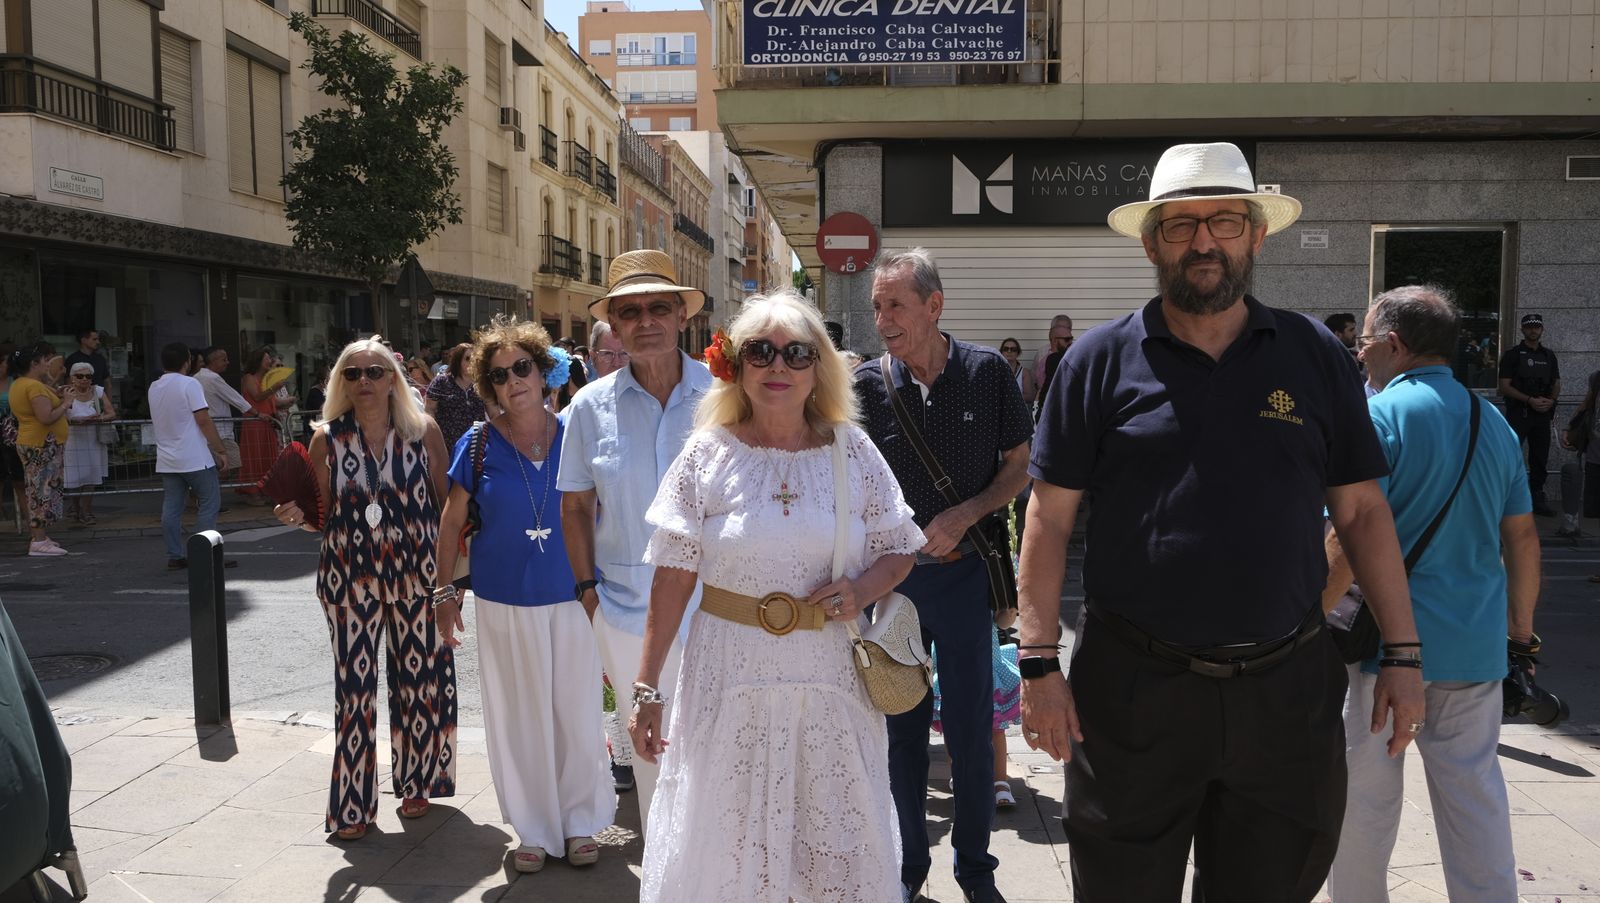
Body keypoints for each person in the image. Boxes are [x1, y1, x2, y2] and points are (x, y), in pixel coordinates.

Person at [1017, 142, 1426, 902]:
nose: (1205, 242)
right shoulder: (1096, 362)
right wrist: (1038, 666)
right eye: (1182, 226)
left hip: (1286, 692)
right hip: (1131, 695)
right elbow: (1046, 516)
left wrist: (1403, 651)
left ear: (1256, 234)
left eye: (1225, 222)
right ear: (1152, 243)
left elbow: (1363, 510)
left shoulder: (1315, 356)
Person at [629, 290, 924, 902]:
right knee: (729, 841)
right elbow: (673, 578)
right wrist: (646, 688)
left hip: (829, 681)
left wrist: (861, 588)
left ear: (820, 367)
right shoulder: (707, 453)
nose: (778, 367)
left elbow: (901, 546)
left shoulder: (854, 451)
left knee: (829, 843)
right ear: (736, 365)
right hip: (726, 679)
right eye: (760, 352)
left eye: (796, 353)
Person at [1325, 285, 1540, 901]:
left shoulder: (1376, 417)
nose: (1361, 356)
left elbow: (1344, 539)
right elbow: (1522, 538)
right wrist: (1520, 634)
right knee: (1475, 797)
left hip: (1385, 648)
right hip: (1474, 647)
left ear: (1394, 345)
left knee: (1365, 801)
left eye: (1364, 344)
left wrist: (1306, 623)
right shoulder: (1493, 421)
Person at [854, 248, 1032, 903]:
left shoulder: (987, 373)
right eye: (877, 306)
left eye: (895, 304)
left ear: (935, 305)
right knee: (900, 732)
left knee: (971, 734)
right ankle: (907, 867)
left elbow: (1022, 461)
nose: (883, 319)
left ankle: (975, 870)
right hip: (894, 586)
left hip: (964, 580)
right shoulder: (868, 386)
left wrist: (968, 510)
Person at [433, 319, 611, 874]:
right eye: (499, 374)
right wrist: (443, 591)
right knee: (518, 716)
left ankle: (580, 823)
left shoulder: (579, 432)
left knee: (577, 712)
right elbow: (452, 517)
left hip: (573, 595)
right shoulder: (477, 442)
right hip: (504, 600)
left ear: (545, 371)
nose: (513, 381)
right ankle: (533, 830)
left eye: (522, 368)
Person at [273, 338, 456, 840]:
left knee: (418, 681)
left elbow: (449, 509)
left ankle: (416, 780)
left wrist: (450, 583)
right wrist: (298, 518)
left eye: (375, 372)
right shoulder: (326, 439)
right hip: (347, 579)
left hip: (417, 575)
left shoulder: (424, 432)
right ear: (340, 383)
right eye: (353, 375)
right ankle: (352, 804)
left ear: (393, 379)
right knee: (353, 692)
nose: (365, 383)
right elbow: (321, 514)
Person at [557, 249, 713, 834]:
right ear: (615, 326)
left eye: (657, 308)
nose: (645, 321)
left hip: (715, 610)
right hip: (623, 613)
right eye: (630, 312)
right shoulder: (588, 408)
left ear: (681, 316)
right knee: (651, 755)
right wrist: (587, 593)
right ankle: (666, 880)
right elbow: (574, 506)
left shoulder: (723, 398)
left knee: (717, 752)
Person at [148, 343, 231, 571]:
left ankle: (175, 554)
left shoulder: (154, 386)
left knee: (172, 509)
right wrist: (221, 450)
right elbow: (203, 419)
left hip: (167, 458)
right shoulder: (190, 384)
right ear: (187, 361)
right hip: (195, 456)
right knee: (209, 504)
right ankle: (204, 554)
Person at [8, 347, 71, 556]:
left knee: (38, 490)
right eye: (44, 360)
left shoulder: (20, 384)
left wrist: (58, 396)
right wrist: (66, 403)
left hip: (34, 442)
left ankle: (40, 536)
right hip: (41, 444)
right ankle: (38, 540)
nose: (48, 364)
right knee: (39, 492)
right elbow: (46, 417)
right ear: (33, 365)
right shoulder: (33, 386)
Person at [1498, 313, 1560, 516]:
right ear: (1522, 329)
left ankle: (1537, 497)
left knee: (1539, 458)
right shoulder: (1513, 355)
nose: (1533, 330)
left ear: (1542, 329)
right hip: (1519, 413)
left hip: (1542, 414)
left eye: (1537, 327)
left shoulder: (1549, 355)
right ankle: (1507, 499)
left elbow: (1556, 382)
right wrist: (1529, 400)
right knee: (1510, 456)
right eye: (1529, 327)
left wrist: (1550, 400)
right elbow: (1504, 386)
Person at [62, 362, 115, 524]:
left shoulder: (98, 391)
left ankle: (86, 511)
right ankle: (75, 509)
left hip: (93, 440)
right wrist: (73, 421)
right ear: (72, 378)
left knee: (91, 477)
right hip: (73, 440)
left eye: (88, 376)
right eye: (80, 376)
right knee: (74, 477)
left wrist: (97, 419)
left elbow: (111, 412)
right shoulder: (65, 392)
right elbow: (60, 413)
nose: (84, 379)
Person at [194, 347, 257, 478]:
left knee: (217, 466)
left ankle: (207, 489)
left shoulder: (196, 378)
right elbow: (235, 398)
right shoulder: (213, 378)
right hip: (221, 433)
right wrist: (257, 413)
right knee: (230, 465)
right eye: (224, 359)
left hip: (204, 432)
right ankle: (210, 490)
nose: (227, 362)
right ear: (213, 361)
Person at [236, 347, 284, 504]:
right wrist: (273, 388)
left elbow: (269, 401)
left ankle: (265, 489)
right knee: (255, 456)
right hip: (255, 423)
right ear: (258, 362)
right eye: (267, 359)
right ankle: (252, 491)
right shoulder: (249, 378)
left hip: (268, 421)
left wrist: (277, 409)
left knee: (268, 456)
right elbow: (257, 397)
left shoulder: (266, 379)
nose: (270, 362)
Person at [425, 343, 488, 452]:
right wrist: (432, 436)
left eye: (475, 359)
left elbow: (493, 412)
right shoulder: (441, 382)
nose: (472, 363)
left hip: (476, 446)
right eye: (467, 359)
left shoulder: (482, 383)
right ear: (458, 361)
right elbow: (429, 410)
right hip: (447, 445)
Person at [0, 352, 28, 526]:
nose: (3, 366)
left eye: (3, 364)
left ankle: (30, 522)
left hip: (12, 434)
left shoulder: (15, 382)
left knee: (19, 479)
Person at [1029, 315, 1072, 401]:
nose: (1063, 330)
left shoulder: (1076, 351)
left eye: (1066, 328)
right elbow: (1034, 380)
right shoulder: (1042, 352)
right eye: (1059, 327)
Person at [997, 337, 1035, 404]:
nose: (1009, 351)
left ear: (1018, 353)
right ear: (1001, 352)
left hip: (1018, 411)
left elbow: (1029, 397)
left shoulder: (1024, 373)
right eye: (1006, 349)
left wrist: (1008, 397)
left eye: (1013, 349)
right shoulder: (995, 371)